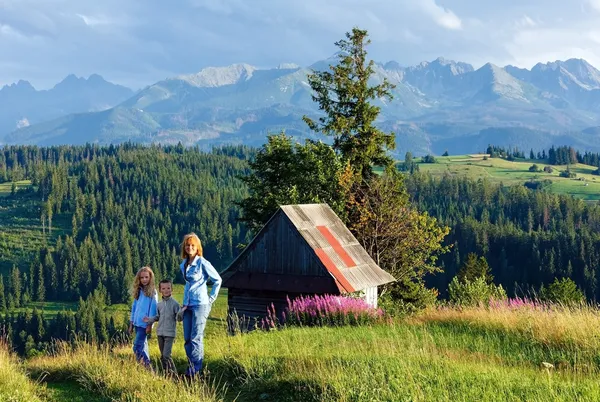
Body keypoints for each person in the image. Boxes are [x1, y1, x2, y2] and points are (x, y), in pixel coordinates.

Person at [180, 232, 222, 377]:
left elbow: (217, 280)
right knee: (187, 339)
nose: (189, 247)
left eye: (192, 245)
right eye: (187, 245)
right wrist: (184, 304)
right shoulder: (183, 265)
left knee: (196, 338)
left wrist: (211, 299)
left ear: (197, 247)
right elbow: (187, 286)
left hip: (200, 304)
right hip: (187, 305)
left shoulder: (203, 263)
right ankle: (190, 365)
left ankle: (195, 372)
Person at [143, 279, 180, 376]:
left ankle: (174, 375)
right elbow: (158, 317)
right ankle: (167, 374)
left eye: (168, 288)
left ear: (172, 289)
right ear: (160, 290)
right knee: (162, 356)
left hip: (170, 334)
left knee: (166, 355)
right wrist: (149, 319)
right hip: (160, 333)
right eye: (163, 288)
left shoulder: (175, 304)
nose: (166, 290)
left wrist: (182, 311)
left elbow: (179, 318)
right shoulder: (159, 305)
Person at [129, 266, 158, 368]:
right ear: (139, 279)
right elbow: (134, 308)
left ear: (150, 278)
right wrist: (131, 323)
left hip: (144, 325)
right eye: (142, 278)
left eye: (146, 277)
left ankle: (147, 368)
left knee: (137, 347)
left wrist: (149, 325)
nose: (144, 279)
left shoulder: (152, 292)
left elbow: (153, 310)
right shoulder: (139, 291)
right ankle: (145, 368)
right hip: (137, 324)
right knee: (143, 346)